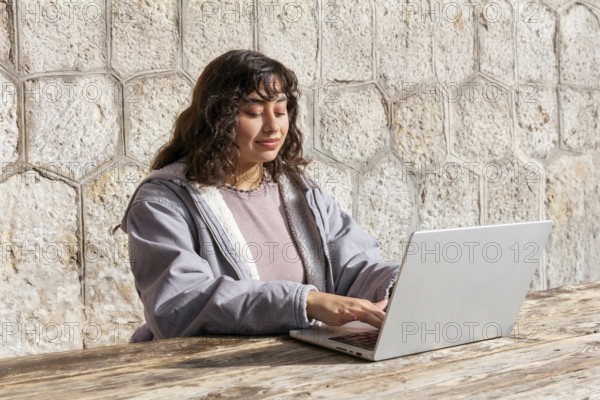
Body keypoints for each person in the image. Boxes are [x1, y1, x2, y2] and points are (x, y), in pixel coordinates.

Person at [119, 49, 399, 342]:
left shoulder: (299, 192)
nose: (273, 126)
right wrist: (305, 303)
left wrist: (399, 287)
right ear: (217, 118)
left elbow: (353, 267)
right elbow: (179, 302)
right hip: (203, 373)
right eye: (253, 113)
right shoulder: (163, 202)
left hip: (297, 367)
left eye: (280, 110)